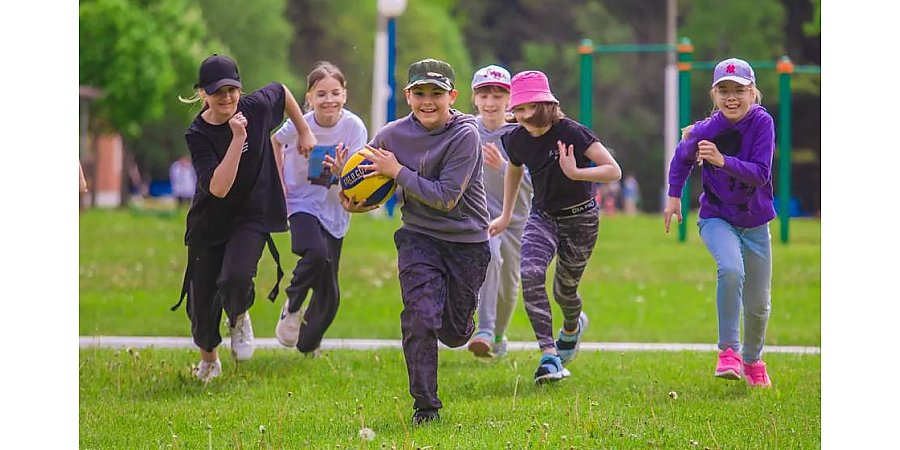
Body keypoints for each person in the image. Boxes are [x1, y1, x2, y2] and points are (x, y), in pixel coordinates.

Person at [326, 58, 490, 425]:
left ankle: (460, 319)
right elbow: (367, 177)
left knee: (454, 333)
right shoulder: (392, 135)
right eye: (419, 93)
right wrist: (350, 192)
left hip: (466, 242)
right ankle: (426, 407)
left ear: (452, 96)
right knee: (419, 317)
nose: (427, 101)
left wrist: (397, 171)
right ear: (408, 95)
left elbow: (446, 197)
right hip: (419, 237)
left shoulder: (466, 135)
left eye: (436, 93)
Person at [173, 54, 317, 382]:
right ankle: (209, 361)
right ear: (202, 94)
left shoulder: (255, 107)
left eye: (232, 90)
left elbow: (282, 91)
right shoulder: (198, 133)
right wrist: (238, 138)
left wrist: (304, 130)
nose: (226, 98)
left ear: (240, 88)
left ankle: (238, 315)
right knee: (201, 299)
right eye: (217, 92)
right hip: (210, 220)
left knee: (235, 278)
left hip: (251, 213)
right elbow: (219, 188)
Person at [489, 70, 621, 385]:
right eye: (518, 109)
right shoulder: (516, 138)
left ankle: (572, 327)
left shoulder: (572, 132)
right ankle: (549, 355)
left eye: (529, 107)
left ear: (546, 105)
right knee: (531, 273)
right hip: (543, 217)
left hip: (581, 219)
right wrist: (506, 215)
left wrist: (576, 173)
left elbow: (613, 170)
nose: (523, 115)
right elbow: (514, 170)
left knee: (565, 291)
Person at [663, 57, 775, 388]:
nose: (731, 98)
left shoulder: (762, 123)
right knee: (731, 269)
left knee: (759, 304)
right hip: (716, 218)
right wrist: (674, 195)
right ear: (714, 95)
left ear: (752, 92)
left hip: (755, 223)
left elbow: (761, 174)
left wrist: (721, 160)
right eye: (723, 91)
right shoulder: (705, 130)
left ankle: (752, 360)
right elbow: (681, 158)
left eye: (739, 90)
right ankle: (728, 352)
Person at [271, 61, 368, 355]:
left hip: (335, 209)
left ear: (345, 95)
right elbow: (275, 142)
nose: (329, 100)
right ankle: (292, 305)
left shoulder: (354, 127)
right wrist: (279, 184)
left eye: (335, 93)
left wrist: (342, 172)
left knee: (330, 294)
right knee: (315, 252)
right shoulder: (300, 123)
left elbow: (359, 175)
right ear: (309, 97)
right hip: (301, 202)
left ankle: (307, 343)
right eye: (321, 94)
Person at [464, 65, 533, 359]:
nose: (490, 103)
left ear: (509, 100)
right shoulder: (466, 130)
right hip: (481, 217)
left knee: (508, 285)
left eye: (497, 96)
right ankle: (485, 330)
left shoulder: (521, 133)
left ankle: (499, 335)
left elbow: (533, 184)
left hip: (517, 221)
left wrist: (504, 167)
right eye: (484, 96)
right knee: (490, 255)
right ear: (474, 99)